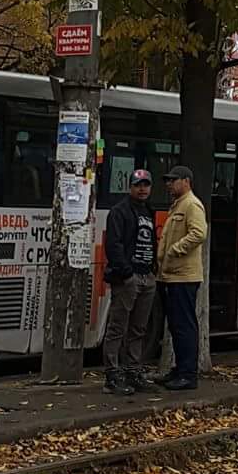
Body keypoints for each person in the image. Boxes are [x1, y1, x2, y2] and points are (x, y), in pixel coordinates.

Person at [101, 168, 158, 394]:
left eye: (146, 185)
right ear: (130, 187)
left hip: (147, 276)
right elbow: (113, 245)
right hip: (128, 278)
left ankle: (133, 372)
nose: (142, 189)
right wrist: (127, 274)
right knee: (117, 327)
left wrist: (152, 271)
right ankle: (112, 376)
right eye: (138, 185)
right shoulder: (119, 211)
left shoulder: (148, 211)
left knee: (139, 328)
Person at [156, 164, 207, 391]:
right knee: (176, 326)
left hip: (184, 277)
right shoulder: (178, 204)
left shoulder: (191, 204)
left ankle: (188, 374)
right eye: (167, 180)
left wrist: (175, 250)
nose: (169, 184)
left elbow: (199, 233)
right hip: (171, 275)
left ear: (186, 181)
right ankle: (179, 370)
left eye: (173, 180)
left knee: (184, 326)